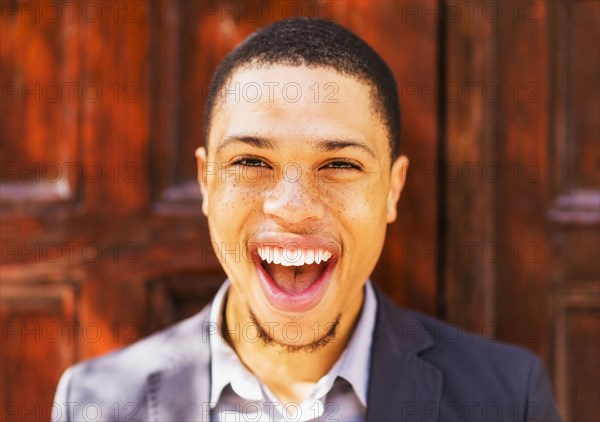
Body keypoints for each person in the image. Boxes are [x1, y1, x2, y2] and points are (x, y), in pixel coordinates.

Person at [52, 17, 561, 422]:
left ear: (392, 189)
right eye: (251, 162)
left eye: (339, 165)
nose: (293, 207)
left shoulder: (505, 398)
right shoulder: (94, 404)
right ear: (206, 183)